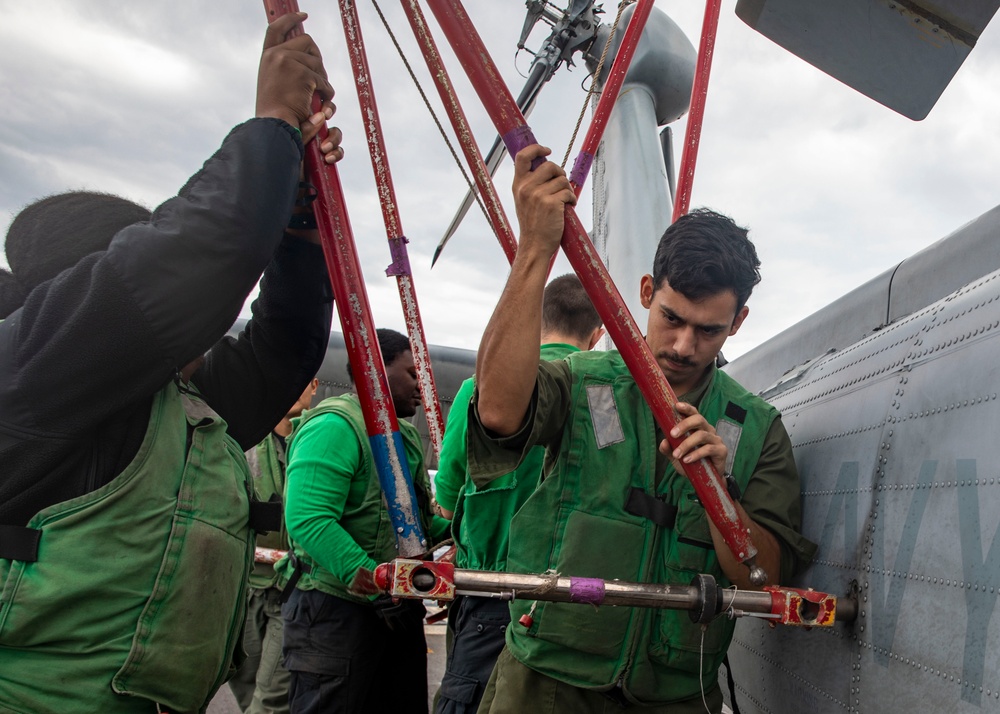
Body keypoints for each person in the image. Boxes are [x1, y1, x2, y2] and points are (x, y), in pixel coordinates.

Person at [0, 14, 343, 714]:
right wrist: (274, 122)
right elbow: (207, 251)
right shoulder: (40, 363)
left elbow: (285, 344)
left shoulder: (181, 403)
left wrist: (300, 216)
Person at [469, 145, 817, 713]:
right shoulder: (583, 385)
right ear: (647, 292)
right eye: (672, 319)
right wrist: (534, 248)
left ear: (739, 322)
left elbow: (762, 582)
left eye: (709, 331)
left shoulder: (755, 430)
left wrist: (720, 499)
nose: (683, 346)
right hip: (546, 686)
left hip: (673, 697)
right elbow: (499, 413)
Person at [432, 273, 602, 714]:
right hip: (575, 607)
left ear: (542, 318)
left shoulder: (480, 392)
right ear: (597, 334)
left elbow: (447, 500)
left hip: (490, 599)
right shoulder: (605, 397)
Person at [278, 327, 450, 714]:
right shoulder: (336, 427)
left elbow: (411, 525)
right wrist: (374, 580)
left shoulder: (400, 436)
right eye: (410, 374)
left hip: (391, 612)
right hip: (336, 614)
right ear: (374, 370)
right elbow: (309, 517)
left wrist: (462, 529)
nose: (421, 386)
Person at [229, 378, 319, 714]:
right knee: (242, 680)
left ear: (315, 386)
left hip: (294, 588)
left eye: (303, 380)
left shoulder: (321, 436)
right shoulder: (246, 440)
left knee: (271, 698)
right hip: (246, 585)